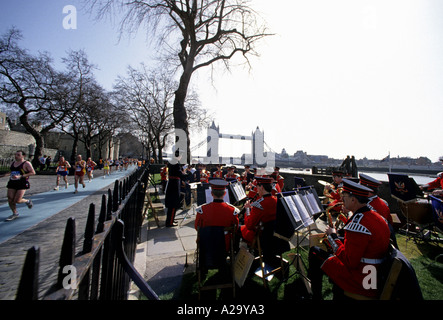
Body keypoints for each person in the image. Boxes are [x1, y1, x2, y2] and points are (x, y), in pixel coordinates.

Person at [308, 179, 391, 300]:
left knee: (315, 252)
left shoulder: (359, 225)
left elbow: (349, 260)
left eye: (344, 196)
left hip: (362, 280)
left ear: (354, 199)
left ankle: (316, 297)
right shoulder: (375, 216)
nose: (342, 199)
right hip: (373, 273)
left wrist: (333, 237)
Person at [195, 179, 240, 250]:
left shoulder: (202, 210)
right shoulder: (232, 210)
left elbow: (197, 227)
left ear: (211, 193)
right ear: (225, 193)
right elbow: (235, 228)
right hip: (225, 245)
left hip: (206, 244)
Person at [240, 176, 277, 245]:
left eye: (257, 187)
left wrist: (247, 209)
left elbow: (249, 225)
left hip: (260, 236)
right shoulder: (277, 200)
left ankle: (237, 252)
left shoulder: (259, 205)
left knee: (239, 229)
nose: (257, 190)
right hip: (274, 235)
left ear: (262, 187)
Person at [3, 150, 35, 221]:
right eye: (15, 155)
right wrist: (3, 175)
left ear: (23, 156)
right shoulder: (13, 163)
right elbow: (11, 172)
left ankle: (27, 201)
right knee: (10, 198)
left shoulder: (26, 163)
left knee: (17, 200)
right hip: (12, 182)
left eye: (18, 155)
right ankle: (15, 213)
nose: (16, 156)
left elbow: (33, 172)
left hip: (22, 183)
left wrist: (20, 176)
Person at [164, 150, 185, 227]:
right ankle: (169, 222)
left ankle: (171, 219)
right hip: (174, 186)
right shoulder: (175, 164)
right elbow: (180, 174)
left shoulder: (172, 163)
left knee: (172, 205)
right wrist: (186, 174)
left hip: (173, 184)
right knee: (173, 204)